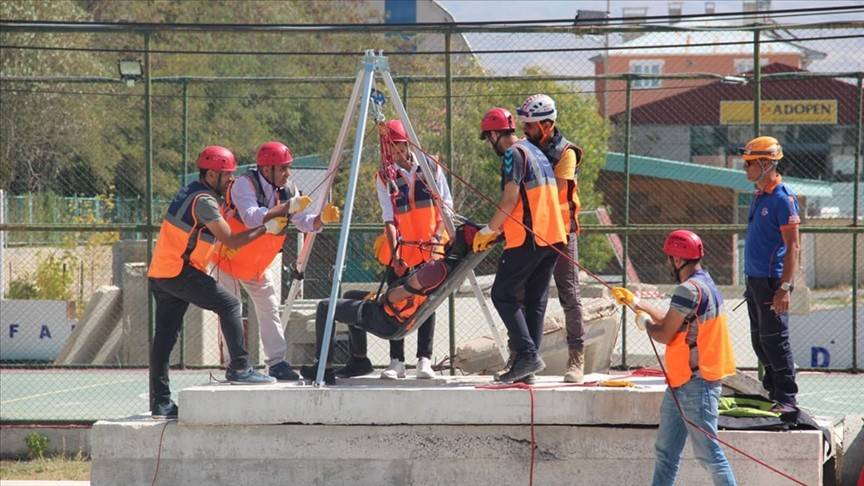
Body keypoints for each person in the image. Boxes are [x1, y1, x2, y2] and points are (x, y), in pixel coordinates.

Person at [147, 145, 277, 419]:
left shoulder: (193, 191)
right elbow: (230, 239)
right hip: (180, 271)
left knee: (164, 340)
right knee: (229, 304)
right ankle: (240, 368)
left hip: (163, 271)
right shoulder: (205, 201)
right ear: (212, 174)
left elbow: (205, 228)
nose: (230, 180)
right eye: (226, 175)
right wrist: (265, 228)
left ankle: (160, 404)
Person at [611, 230, 737, 486]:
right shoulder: (705, 284)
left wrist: (645, 324)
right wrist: (638, 303)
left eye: (670, 258)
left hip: (696, 385)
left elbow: (666, 334)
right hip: (683, 382)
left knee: (709, 456)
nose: (667, 262)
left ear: (678, 260)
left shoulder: (687, 290)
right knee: (666, 452)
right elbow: (674, 318)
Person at [213, 141, 340, 381]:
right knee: (231, 310)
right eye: (283, 168)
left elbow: (303, 222)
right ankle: (235, 366)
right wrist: (285, 208)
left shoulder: (289, 190)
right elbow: (251, 218)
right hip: (228, 257)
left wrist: (321, 219)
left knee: (269, 307)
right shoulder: (244, 184)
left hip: (256, 264)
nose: (288, 174)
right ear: (266, 169)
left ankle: (277, 363)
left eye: (288, 168)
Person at [339, 119, 453, 380]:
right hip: (402, 250)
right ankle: (396, 361)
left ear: (406, 143)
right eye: (388, 149)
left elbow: (446, 204)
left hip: (431, 247)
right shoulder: (385, 177)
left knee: (427, 304)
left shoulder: (431, 166)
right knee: (395, 303)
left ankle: (424, 360)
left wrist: (437, 237)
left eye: (397, 146)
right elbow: (388, 218)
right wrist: (397, 256)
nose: (393, 153)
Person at [300, 222, 480, 385]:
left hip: (387, 318)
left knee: (325, 306)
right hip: (398, 314)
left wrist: (381, 299)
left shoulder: (434, 270)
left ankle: (323, 367)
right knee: (350, 296)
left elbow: (400, 294)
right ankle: (359, 361)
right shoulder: (448, 268)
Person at [473, 107, 567, 383]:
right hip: (553, 236)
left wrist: (490, 229)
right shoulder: (535, 151)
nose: (490, 144)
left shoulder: (513, 155)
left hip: (529, 238)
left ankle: (527, 356)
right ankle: (529, 369)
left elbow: (510, 198)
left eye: (488, 138)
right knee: (534, 301)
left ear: (493, 134)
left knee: (502, 294)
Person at [518, 94, 587, 383]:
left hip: (561, 232)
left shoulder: (566, 153)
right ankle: (524, 357)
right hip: (532, 232)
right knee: (527, 296)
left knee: (569, 295)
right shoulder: (525, 149)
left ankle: (576, 358)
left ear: (547, 125)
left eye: (531, 126)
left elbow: (554, 193)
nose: (526, 131)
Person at [741, 135, 800, 412]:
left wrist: (785, 287)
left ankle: (787, 398)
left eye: (749, 163)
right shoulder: (759, 196)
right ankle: (773, 391)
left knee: (775, 341)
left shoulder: (782, 199)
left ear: (765, 164)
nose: (746, 169)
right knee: (759, 341)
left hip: (772, 282)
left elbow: (793, 247)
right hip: (754, 282)